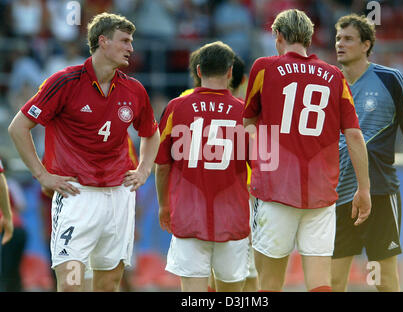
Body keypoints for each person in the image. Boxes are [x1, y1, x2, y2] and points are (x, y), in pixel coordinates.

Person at [8, 12, 160, 292]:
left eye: (132, 41)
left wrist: (144, 169)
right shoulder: (64, 82)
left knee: (108, 284)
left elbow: (151, 133)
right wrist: (42, 175)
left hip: (118, 196)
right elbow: (18, 127)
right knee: (71, 284)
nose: (131, 48)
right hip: (76, 194)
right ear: (103, 41)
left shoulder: (134, 89)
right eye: (124, 41)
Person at [243, 9, 371, 292]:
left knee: (270, 283)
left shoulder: (264, 67)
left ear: (278, 36)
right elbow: (354, 134)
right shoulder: (335, 76)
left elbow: (247, 123)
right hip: (321, 192)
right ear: (309, 39)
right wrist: (364, 188)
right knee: (319, 284)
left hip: (276, 191)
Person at [331, 14, 403, 292]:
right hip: (334, 196)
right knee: (331, 282)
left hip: (378, 192)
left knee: (384, 281)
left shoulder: (391, 80)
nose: (340, 43)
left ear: (366, 45)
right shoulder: (328, 84)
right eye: (338, 38)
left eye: (348, 39)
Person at [156, 41, 250, 292]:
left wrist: (164, 205)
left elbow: (162, 165)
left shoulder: (176, 107)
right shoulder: (245, 112)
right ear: (231, 72)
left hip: (188, 217)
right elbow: (261, 168)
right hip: (233, 217)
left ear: (198, 71)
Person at [0, 157, 27, 292]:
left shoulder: (7, 183)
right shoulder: (12, 183)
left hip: (6, 228)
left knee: (4, 269)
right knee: (13, 267)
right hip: (19, 229)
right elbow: (22, 205)